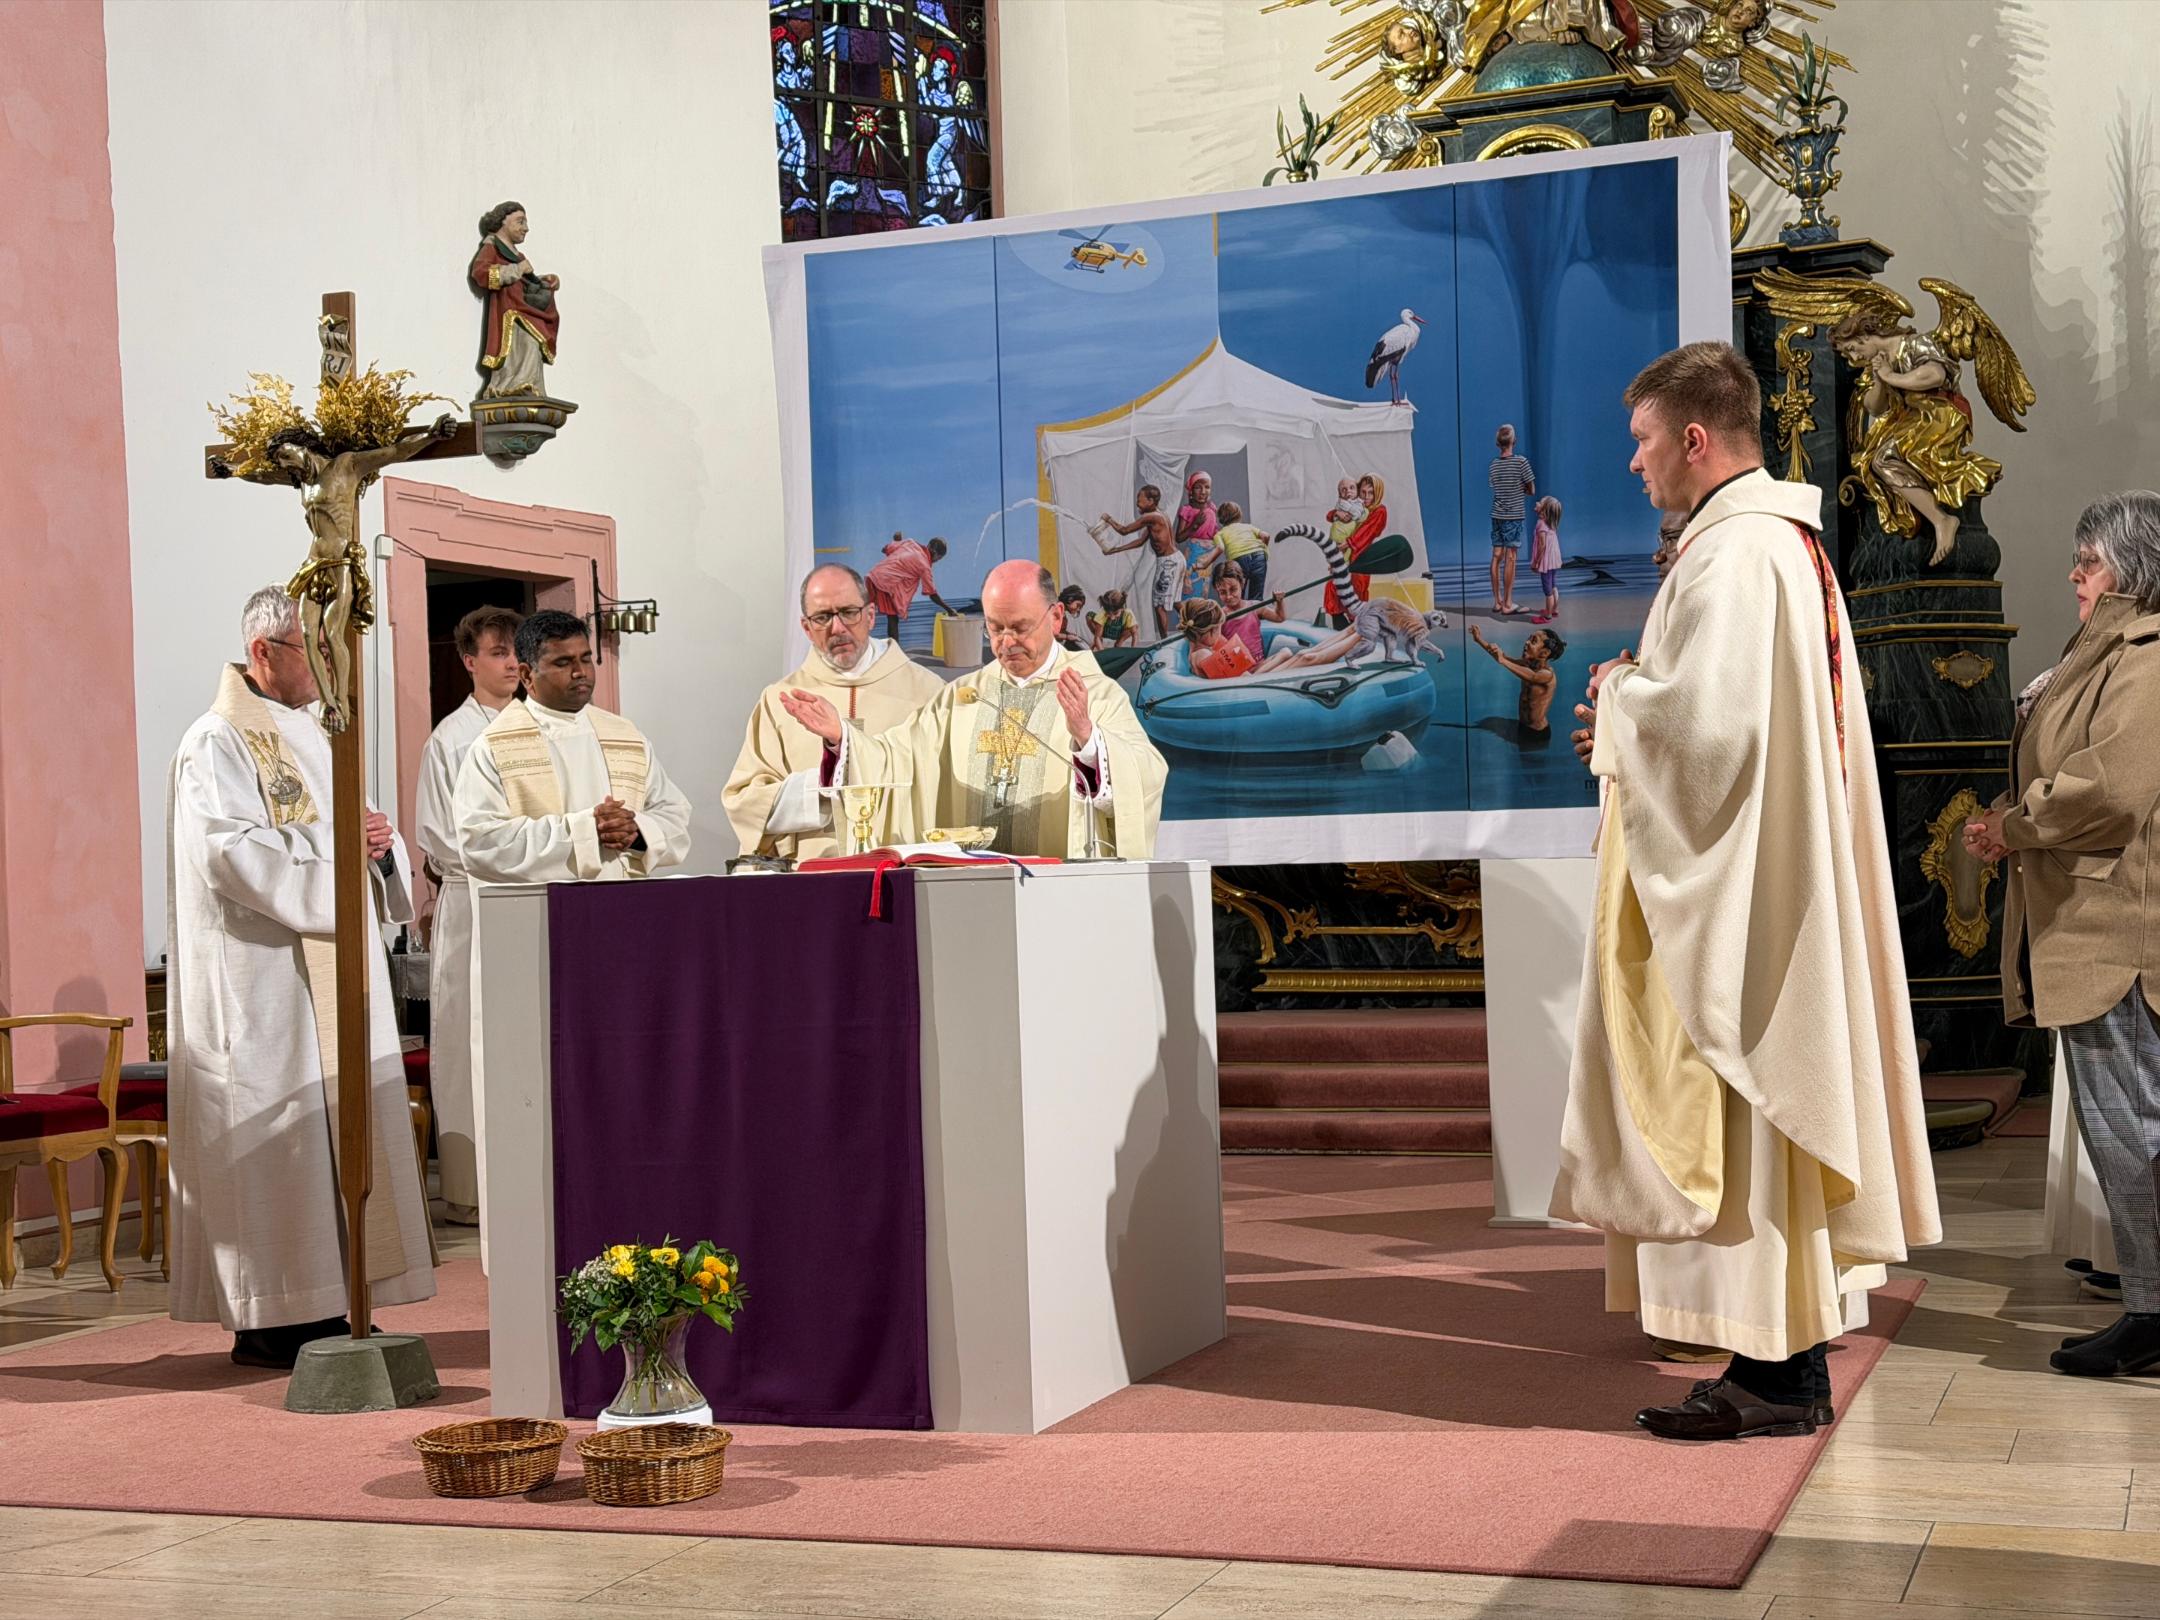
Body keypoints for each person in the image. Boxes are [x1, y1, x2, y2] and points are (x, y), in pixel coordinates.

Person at [1551, 341, 1937, 1440]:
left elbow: (1707, 735)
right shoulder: (1780, 544)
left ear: (1692, 438)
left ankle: (1776, 1373)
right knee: (1764, 1124)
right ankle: (1781, 1366)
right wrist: (1633, 715)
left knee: (1748, 1109)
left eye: (1641, 443)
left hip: (1746, 894)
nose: (1632, 465)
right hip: (1767, 871)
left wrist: (1619, 698)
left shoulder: (1735, 555)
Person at [167, 586, 436, 1368]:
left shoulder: (321, 731)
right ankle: (272, 1318)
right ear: (262, 652)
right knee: (277, 1144)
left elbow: (365, 833)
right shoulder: (216, 741)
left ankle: (333, 1299)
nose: (331, 669)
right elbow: (231, 855)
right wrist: (340, 846)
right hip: (262, 982)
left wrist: (380, 847)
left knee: (335, 1137)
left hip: (333, 973)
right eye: (317, 652)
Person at [1963, 491, 2160, 1378]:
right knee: (2125, 1135)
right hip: (2095, 927)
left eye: (2090, 561)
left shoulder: (2146, 656)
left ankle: (2154, 1315)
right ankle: (2149, 1308)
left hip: (2118, 935)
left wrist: (2018, 824)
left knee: (2135, 1134)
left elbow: (2111, 791)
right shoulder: (2112, 651)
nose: (2075, 575)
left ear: (2131, 570)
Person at [779, 560, 1167, 858]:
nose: (1006, 642)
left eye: (1020, 627)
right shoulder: (963, 696)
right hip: (972, 892)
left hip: (1058, 891)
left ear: (1055, 617)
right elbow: (897, 758)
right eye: (995, 628)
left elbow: (1145, 776)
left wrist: (1088, 739)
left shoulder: (1094, 694)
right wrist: (841, 738)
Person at [412, 604, 523, 1225]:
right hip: (474, 900)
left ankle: (529, 1180)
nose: (512, 663)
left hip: (532, 897)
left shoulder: (541, 728)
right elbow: (436, 832)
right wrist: (515, 853)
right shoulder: (450, 740)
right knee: (468, 1041)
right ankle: (470, 1189)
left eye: (517, 652)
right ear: (468, 662)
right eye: (499, 652)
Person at [724, 564, 946, 861]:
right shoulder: (779, 700)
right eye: (822, 617)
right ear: (806, 627)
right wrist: (823, 786)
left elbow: (944, 792)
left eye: (848, 612)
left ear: (870, 616)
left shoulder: (928, 693)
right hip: (811, 874)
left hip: (901, 870)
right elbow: (744, 803)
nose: (837, 628)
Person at [469, 201, 562, 401]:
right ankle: (509, 386)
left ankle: (528, 386)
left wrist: (545, 280)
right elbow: (481, 273)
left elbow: (525, 282)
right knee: (523, 345)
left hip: (525, 309)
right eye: (520, 222)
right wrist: (517, 269)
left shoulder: (517, 255)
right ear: (503, 222)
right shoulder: (492, 247)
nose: (526, 228)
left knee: (534, 345)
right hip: (509, 313)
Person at [1096, 485, 1181, 636]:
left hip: (1168, 562)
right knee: (1174, 601)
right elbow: (1140, 542)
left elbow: (1124, 530)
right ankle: (1197, 621)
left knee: (1159, 605)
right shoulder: (1158, 516)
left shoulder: (1151, 517)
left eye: (1139, 500)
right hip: (1174, 560)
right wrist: (1115, 550)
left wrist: (1108, 519)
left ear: (1150, 501)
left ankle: (1164, 641)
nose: (1137, 503)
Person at [1469, 624, 1564, 745]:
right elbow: (1501, 657)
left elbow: (1532, 677)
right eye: (1529, 638)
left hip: (1537, 732)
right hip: (1522, 726)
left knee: (1531, 755)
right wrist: (1478, 640)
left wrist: (1503, 660)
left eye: (1533, 641)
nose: (1527, 642)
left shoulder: (1547, 675)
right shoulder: (1526, 665)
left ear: (1544, 653)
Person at [865, 533, 955, 640]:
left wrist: (897, 541)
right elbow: (932, 594)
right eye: (938, 558)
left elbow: (885, 549)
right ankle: (895, 648)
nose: (936, 561)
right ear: (935, 553)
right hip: (886, 584)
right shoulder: (924, 566)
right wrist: (949, 610)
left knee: (867, 611)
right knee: (892, 619)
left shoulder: (910, 543)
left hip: (873, 575)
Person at [1328, 474, 1389, 628]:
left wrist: (1349, 543)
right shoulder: (1357, 505)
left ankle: (1355, 626)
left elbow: (1368, 531)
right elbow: (1331, 514)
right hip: (1346, 553)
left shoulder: (1379, 511)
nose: (1366, 497)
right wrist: (1336, 514)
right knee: (1333, 586)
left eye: (1371, 493)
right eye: (1363, 492)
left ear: (1377, 494)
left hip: (1361, 557)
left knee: (1357, 589)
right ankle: (1338, 624)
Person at [1488, 426, 1536, 614]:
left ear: (1497, 443)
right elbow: (1531, 489)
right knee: (1511, 557)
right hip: (1513, 516)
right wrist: (1520, 489)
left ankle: (1497, 601)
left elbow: (1496, 487)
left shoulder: (1493, 464)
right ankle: (1508, 603)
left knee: (1496, 556)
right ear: (1514, 442)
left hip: (1497, 515)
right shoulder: (1521, 462)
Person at [1212, 564, 1285, 663]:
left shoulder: (1255, 607)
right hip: (1238, 668)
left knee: (1286, 653)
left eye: (1233, 589)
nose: (1229, 596)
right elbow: (1214, 646)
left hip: (1260, 664)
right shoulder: (1220, 616)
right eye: (1223, 592)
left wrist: (1279, 602)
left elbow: (1279, 617)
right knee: (1286, 654)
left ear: (1242, 584)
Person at [1181, 599, 1258, 680]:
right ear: (1212, 631)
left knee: (1268, 663)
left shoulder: (1195, 648)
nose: (1219, 635)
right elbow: (1244, 681)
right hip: (1233, 685)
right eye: (1219, 629)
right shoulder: (1203, 655)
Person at [1210, 501, 1273, 600]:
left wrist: (1205, 562)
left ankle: (1239, 609)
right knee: (1257, 593)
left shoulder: (1220, 534)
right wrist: (1264, 547)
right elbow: (1266, 536)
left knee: (1237, 591)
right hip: (1259, 556)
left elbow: (1220, 548)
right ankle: (1256, 608)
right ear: (1239, 515)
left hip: (1238, 558)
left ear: (1221, 519)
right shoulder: (1248, 527)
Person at [1529, 495, 1564, 624]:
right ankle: (1554, 610)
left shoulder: (1541, 524)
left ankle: (1547, 616)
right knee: (1553, 585)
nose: (1537, 502)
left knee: (1547, 590)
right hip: (1554, 560)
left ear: (1544, 510)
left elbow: (1542, 545)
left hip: (1546, 561)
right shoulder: (1551, 524)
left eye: (1540, 502)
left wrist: (1536, 562)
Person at [1055, 585, 1091, 651]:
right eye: (1078, 605)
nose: (1078, 609)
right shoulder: (1056, 610)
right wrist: (1067, 636)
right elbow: (1050, 633)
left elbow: (1060, 630)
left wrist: (1068, 634)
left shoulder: (1062, 612)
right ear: (1070, 599)